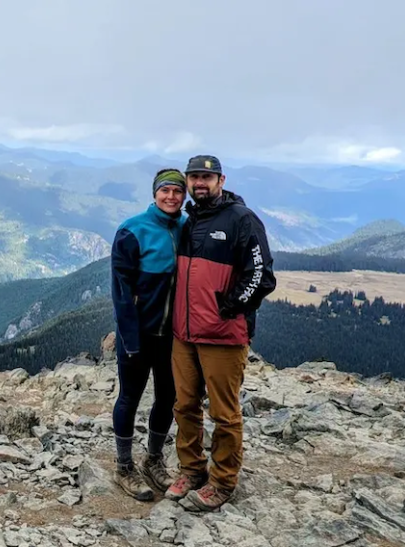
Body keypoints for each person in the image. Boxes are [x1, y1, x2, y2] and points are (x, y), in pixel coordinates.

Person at [164, 154, 275, 511]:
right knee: (184, 405)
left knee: (224, 414)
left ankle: (223, 481)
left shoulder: (242, 220)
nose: (200, 183)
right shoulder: (187, 221)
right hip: (184, 334)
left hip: (223, 336)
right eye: (194, 177)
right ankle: (192, 470)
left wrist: (227, 308)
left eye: (206, 178)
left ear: (221, 181)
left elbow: (261, 277)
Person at [109, 168, 187, 500]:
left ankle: (154, 460)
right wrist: (129, 338)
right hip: (139, 334)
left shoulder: (188, 228)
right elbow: (121, 292)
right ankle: (124, 466)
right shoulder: (132, 231)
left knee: (168, 398)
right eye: (165, 191)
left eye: (177, 192)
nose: (171, 197)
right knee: (130, 396)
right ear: (155, 193)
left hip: (174, 336)